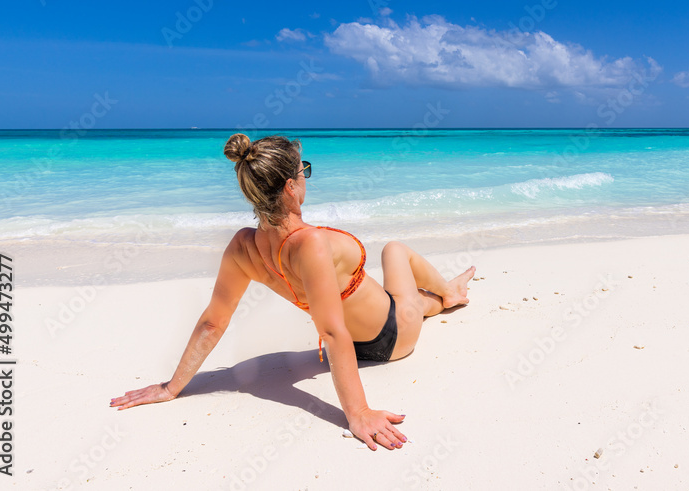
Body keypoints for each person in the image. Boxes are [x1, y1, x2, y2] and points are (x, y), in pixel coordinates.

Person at [109, 133, 475, 451]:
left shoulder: (242, 248)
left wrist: (173, 387)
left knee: (416, 299)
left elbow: (212, 323)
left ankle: (442, 296)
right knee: (395, 250)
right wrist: (359, 413)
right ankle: (450, 293)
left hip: (352, 346)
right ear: (289, 186)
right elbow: (332, 332)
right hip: (393, 336)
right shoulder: (310, 244)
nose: (306, 179)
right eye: (304, 172)